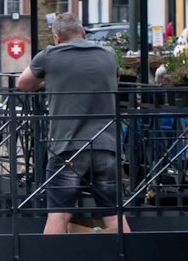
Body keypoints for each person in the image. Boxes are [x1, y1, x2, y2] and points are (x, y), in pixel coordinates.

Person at [17, 12, 128, 234]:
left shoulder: (49, 56)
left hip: (67, 147)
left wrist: (50, 82)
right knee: (114, 214)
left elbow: (23, 84)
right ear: (83, 32)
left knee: (59, 214)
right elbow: (114, 82)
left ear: (57, 37)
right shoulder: (108, 55)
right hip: (105, 145)